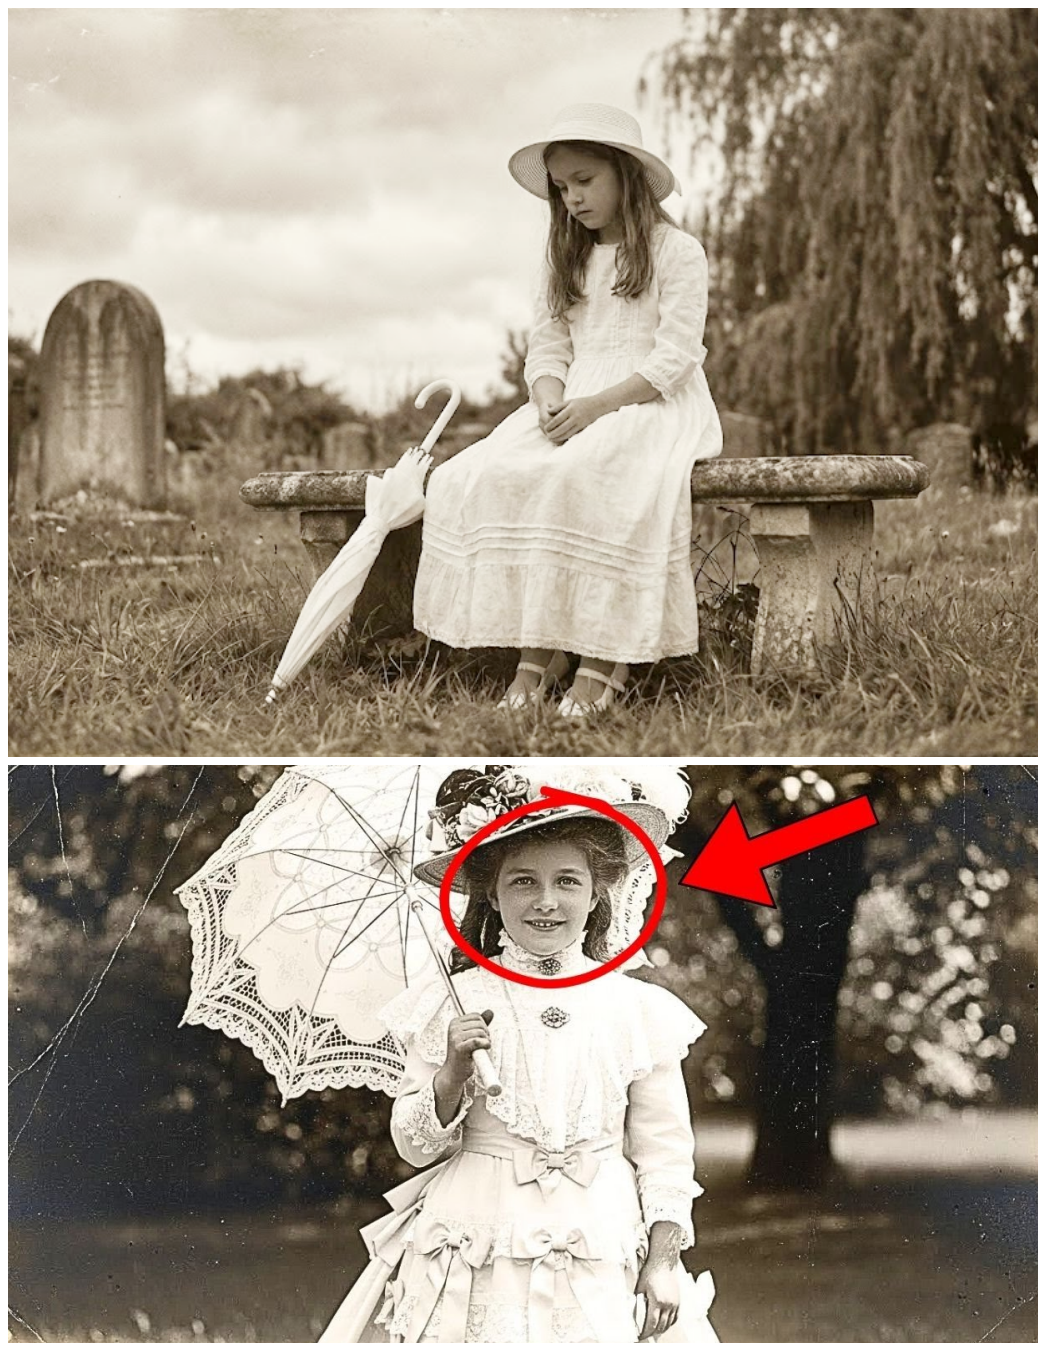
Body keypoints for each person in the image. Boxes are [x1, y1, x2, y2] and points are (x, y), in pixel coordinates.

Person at [320, 765, 717, 1344]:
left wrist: (661, 1260)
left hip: (601, 1237)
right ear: (492, 893)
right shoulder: (456, 1000)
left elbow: (665, 1150)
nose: (547, 902)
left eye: (567, 881)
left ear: (597, 889)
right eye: (524, 882)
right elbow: (413, 1145)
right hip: (478, 1236)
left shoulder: (636, 1007)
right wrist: (453, 1071)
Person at [412, 105, 724, 716]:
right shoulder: (567, 257)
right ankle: (540, 651)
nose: (573, 198)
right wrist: (549, 395)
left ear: (625, 174)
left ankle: (604, 659)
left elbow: (676, 357)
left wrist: (597, 407)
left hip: (646, 400)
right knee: (485, 474)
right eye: (562, 187)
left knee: (592, 475)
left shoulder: (676, 252)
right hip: (574, 398)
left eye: (585, 180)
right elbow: (549, 346)